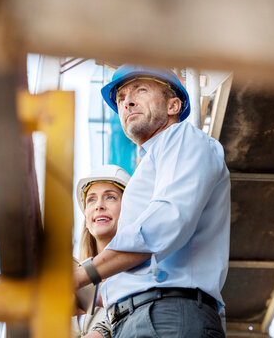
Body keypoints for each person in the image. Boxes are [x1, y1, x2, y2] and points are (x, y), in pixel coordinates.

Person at [73, 65, 230, 337]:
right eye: (121, 98)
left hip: (166, 315)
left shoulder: (183, 139)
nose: (127, 102)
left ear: (173, 105)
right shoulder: (151, 167)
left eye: (140, 90)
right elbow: (137, 274)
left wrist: (79, 276)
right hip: (144, 318)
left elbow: (160, 228)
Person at [72, 165, 131, 338]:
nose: (99, 206)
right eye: (91, 199)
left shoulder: (141, 269)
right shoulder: (74, 275)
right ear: (86, 218)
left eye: (110, 197)